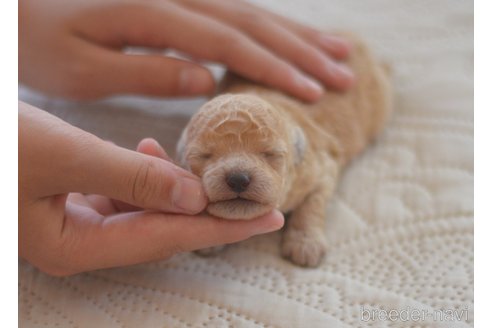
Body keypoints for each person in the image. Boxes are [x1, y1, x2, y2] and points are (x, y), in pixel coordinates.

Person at [19, 0, 354, 276]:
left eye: (269, 155)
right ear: (182, 153)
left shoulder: (305, 158)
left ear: (294, 152)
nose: (238, 173)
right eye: (206, 157)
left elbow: (326, 167)